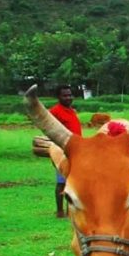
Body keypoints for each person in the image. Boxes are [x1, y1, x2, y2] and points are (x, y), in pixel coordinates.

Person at [49, 85, 82, 218]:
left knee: (72, 181)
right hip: (61, 152)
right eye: (65, 95)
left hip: (77, 152)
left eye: (70, 95)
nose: (68, 97)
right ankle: (60, 211)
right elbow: (50, 131)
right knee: (61, 181)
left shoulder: (71, 111)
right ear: (58, 97)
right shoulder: (54, 112)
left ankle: (70, 210)